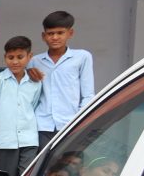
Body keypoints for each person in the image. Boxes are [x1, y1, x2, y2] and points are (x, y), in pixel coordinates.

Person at [29, 10, 95, 149]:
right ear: (43, 36)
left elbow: (88, 94)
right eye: (50, 33)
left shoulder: (82, 57)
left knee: (67, 167)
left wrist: (79, 121)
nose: (55, 37)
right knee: (42, 167)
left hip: (70, 124)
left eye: (60, 33)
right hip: (41, 126)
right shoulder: (35, 61)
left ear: (70, 33)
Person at [0, 36, 41, 176]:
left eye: (20, 57)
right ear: (5, 57)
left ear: (29, 56)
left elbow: (34, 106)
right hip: (5, 140)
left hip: (29, 139)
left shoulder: (35, 83)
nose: (15, 61)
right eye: (10, 57)